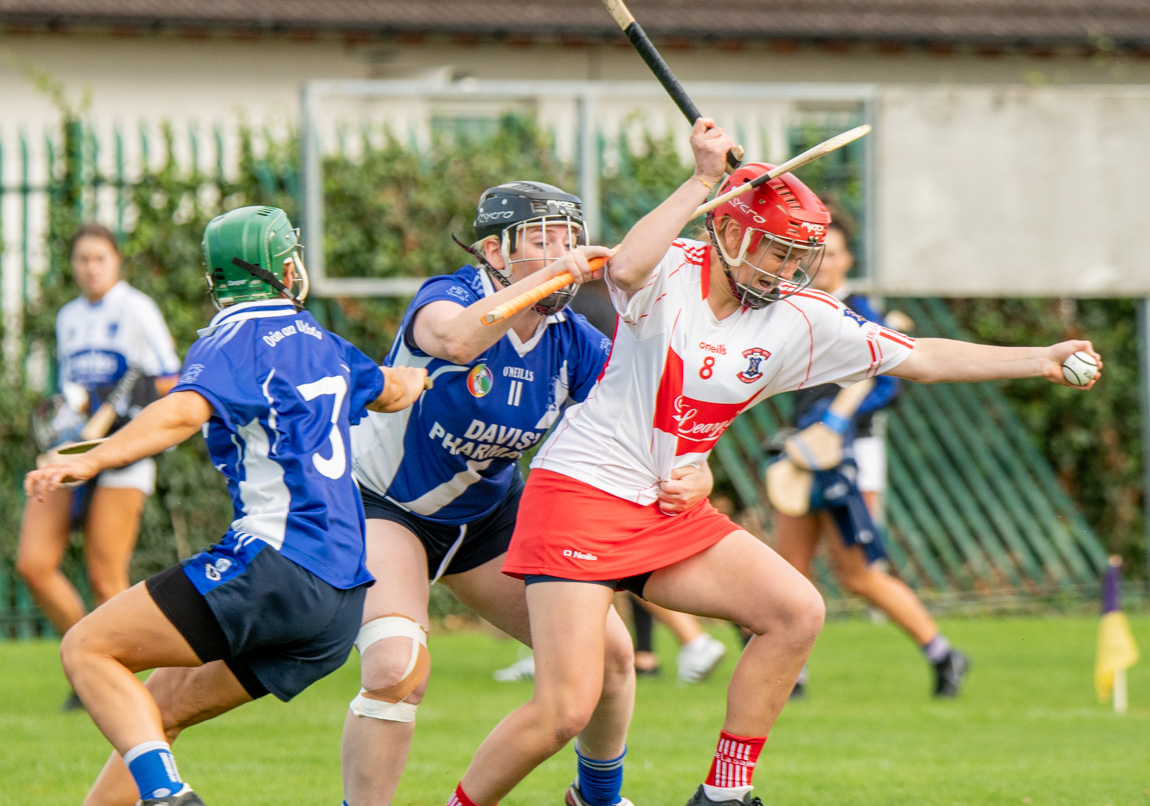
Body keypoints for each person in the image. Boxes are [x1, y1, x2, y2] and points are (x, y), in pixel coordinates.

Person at [442, 118, 1103, 806]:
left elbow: (924, 359)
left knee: (795, 611)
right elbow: (627, 268)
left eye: (798, 258)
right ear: (725, 232)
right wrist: (703, 177)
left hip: (668, 510)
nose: (787, 273)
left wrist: (1038, 360)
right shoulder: (669, 269)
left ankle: (724, 793)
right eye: (774, 253)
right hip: (580, 494)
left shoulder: (801, 317)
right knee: (563, 711)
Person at [23, 205, 428, 806]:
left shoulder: (231, 337)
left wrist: (94, 456)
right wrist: (429, 374)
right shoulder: (323, 340)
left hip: (278, 566)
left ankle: (168, 798)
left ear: (219, 279)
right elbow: (395, 390)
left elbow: (184, 410)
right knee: (153, 712)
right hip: (341, 599)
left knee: (85, 647)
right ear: (281, 269)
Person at [342, 181, 712, 806]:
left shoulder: (572, 340)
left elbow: (650, 416)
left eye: (569, 238)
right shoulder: (451, 296)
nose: (563, 252)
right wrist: (541, 283)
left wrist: (693, 467)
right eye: (542, 241)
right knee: (394, 670)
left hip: (485, 519)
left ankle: (596, 797)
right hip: (388, 506)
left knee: (611, 657)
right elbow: (456, 341)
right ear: (494, 252)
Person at [769, 217, 968, 698]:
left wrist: (838, 420)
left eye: (834, 253)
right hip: (802, 449)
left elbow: (889, 384)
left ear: (847, 260)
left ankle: (943, 654)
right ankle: (790, 675)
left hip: (852, 453)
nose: (825, 263)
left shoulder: (862, 312)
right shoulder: (794, 308)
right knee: (788, 567)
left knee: (856, 573)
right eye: (817, 254)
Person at [493, 279, 727, 686]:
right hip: (621, 447)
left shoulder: (571, 309)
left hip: (591, 455)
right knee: (607, 568)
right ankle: (644, 650)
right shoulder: (612, 306)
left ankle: (692, 639)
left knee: (604, 564)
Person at [16, 223, 181, 709]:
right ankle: (89, 660)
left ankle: (116, 679)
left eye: (99, 259)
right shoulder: (68, 318)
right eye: (82, 259)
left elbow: (171, 380)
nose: (90, 268)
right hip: (76, 453)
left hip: (123, 453)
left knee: (107, 578)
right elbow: (74, 394)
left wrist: (113, 406)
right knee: (33, 562)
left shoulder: (137, 309)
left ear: (117, 262)